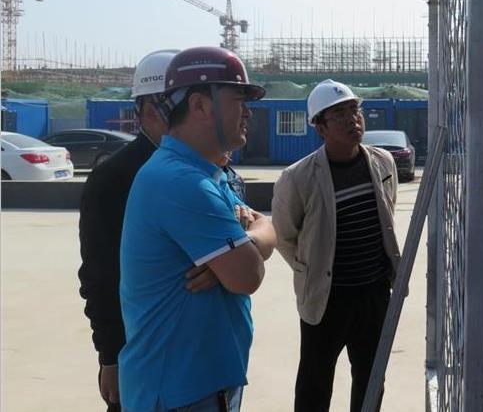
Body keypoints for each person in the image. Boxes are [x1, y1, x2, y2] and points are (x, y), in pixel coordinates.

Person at [118, 46, 275, 412]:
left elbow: (268, 228)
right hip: (179, 392)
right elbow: (248, 275)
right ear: (200, 105)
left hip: (202, 384)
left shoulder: (205, 173)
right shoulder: (182, 182)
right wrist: (245, 249)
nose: (248, 112)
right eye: (238, 99)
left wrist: (249, 239)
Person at [78, 49, 209, 411]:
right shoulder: (114, 178)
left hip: (197, 348)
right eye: (185, 106)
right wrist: (110, 356)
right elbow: (100, 274)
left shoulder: (207, 166)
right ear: (150, 112)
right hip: (142, 352)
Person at [272, 79, 400, 412]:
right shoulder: (298, 177)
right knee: (314, 383)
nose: (352, 119)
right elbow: (285, 236)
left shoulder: (383, 162)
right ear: (320, 127)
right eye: (339, 114)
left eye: (354, 110)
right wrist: (313, 272)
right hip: (327, 299)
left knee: (372, 379)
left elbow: (387, 212)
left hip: (374, 294)